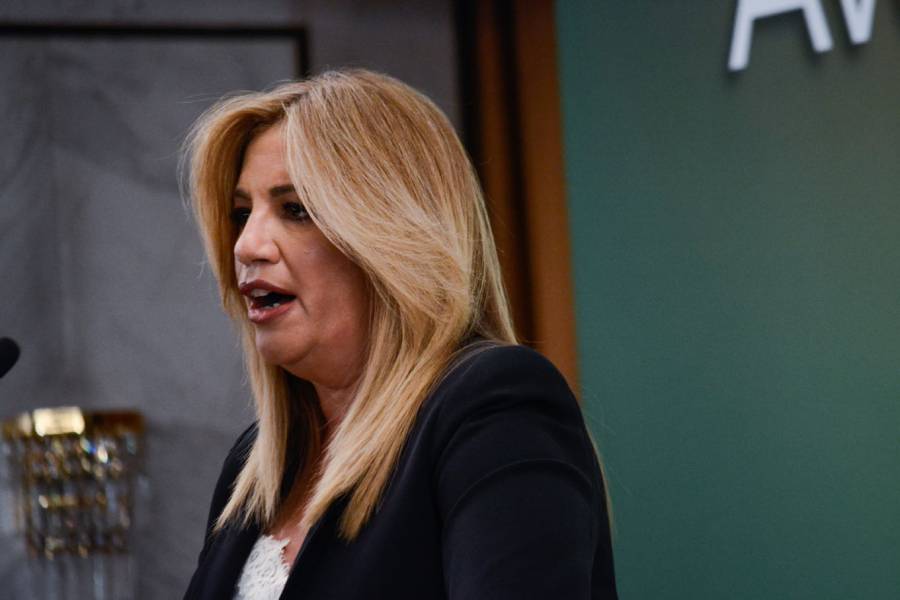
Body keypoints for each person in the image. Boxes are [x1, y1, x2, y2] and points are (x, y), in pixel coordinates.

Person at [182, 69, 617, 600]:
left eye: (295, 210)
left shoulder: (496, 407)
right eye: (241, 213)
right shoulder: (252, 467)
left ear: (393, 234)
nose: (246, 246)